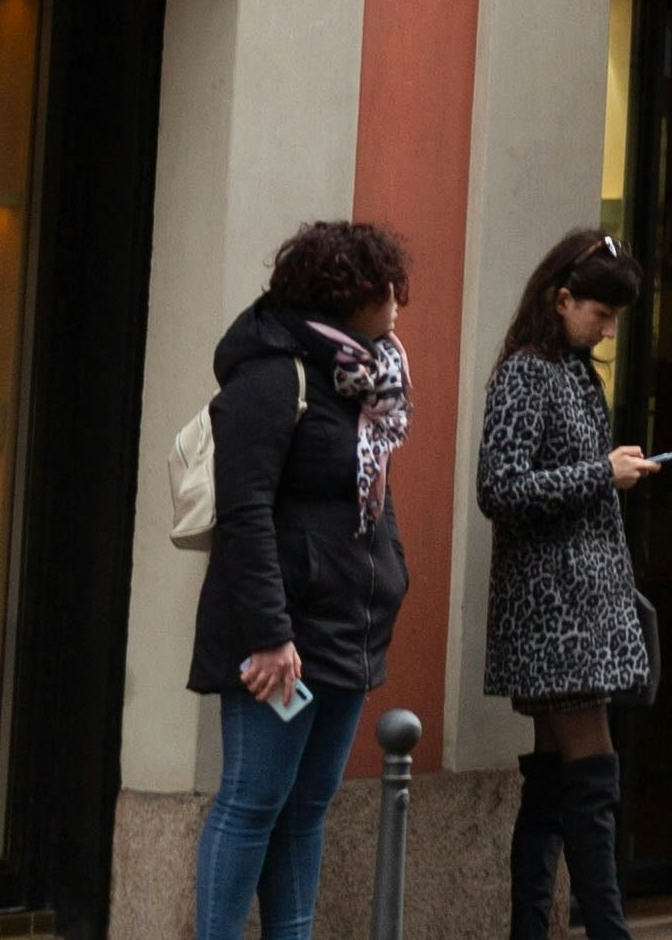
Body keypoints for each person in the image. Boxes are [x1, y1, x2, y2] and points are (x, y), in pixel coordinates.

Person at [190, 219, 417, 940]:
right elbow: (243, 510)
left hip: (349, 626)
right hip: (280, 635)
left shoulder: (365, 381)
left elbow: (369, 497)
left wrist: (391, 577)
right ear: (348, 296)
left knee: (307, 806)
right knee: (253, 801)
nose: (398, 306)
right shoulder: (272, 371)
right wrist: (269, 636)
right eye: (389, 292)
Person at [476, 229, 662, 940]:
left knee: (556, 785)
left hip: (580, 607)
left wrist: (612, 469)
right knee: (592, 780)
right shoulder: (527, 372)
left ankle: (530, 930)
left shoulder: (576, 372)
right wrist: (601, 474)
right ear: (561, 299)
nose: (609, 328)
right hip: (554, 612)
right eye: (600, 313)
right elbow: (500, 486)